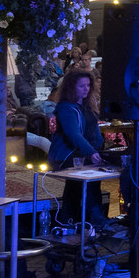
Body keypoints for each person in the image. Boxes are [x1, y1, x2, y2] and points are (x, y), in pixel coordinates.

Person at [48, 69, 108, 226]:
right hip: (67, 155)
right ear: (71, 87)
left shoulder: (88, 104)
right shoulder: (66, 108)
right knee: (86, 185)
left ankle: (74, 222)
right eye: (82, 86)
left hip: (84, 153)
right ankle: (94, 221)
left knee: (80, 187)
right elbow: (74, 135)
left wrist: (100, 150)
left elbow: (94, 132)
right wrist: (92, 153)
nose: (86, 89)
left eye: (88, 85)